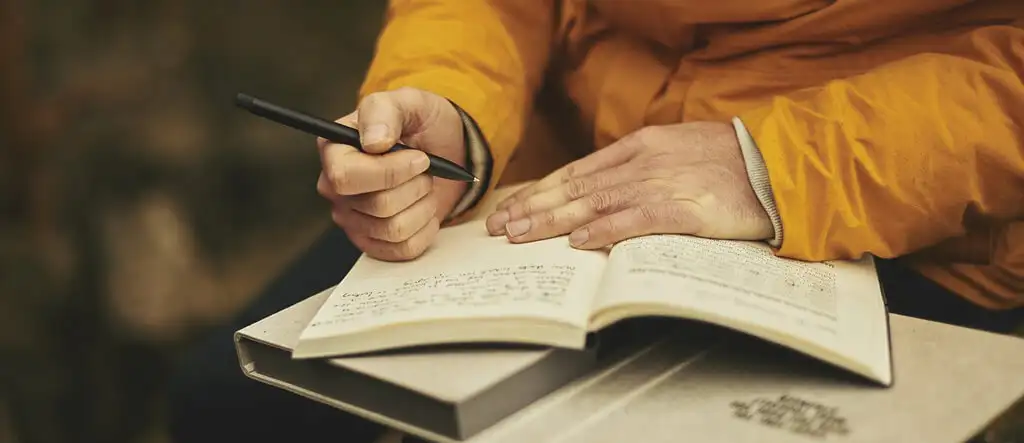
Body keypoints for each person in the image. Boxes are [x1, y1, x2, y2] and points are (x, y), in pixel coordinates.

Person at [168, 1, 1024, 442]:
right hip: (549, 172)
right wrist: (456, 108)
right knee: (234, 400)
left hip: (919, 215)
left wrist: (780, 165)